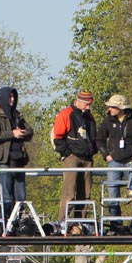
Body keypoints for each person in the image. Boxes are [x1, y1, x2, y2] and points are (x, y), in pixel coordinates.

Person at [95, 94, 132, 224]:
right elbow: (99, 139)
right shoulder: (107, 121)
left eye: (113, 107)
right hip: (114, 163)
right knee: (112, 194)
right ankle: (115, 225)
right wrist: (106, 155)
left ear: (121, 107)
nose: (110, 110)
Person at [0, 86, 34, 227]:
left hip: (18, 160)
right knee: (6, 195)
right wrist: (12, 133)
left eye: (14, 97)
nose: (12, 100)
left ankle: (16, 222)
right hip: (2, 161)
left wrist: (23, 132)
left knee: (21, 196)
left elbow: (30, 130)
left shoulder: (17, 115)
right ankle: (4, 223)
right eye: (9, 97)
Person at [53, 90, 98, 222]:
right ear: (79, 101)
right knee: (69, 193)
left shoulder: (89, 117)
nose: (88, 107)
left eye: (90, 104)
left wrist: (92, 150)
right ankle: (63, 222)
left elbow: (93, 136)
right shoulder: (66, 114)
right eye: (86, 104)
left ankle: (81, 223)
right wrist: (67, 154)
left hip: (87, 159)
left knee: (85, 193)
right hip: (72, 157)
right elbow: (58, 137)